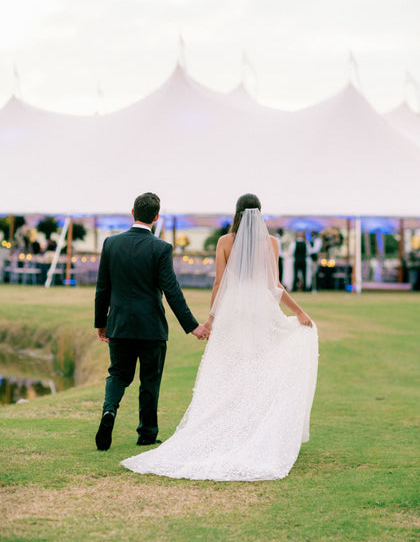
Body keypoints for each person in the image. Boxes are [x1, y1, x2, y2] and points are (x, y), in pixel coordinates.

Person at [121, 194, 318, 481]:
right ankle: (251, 429)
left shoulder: (225, 242)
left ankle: (231, 427)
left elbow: (219, 283)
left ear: (236, 213)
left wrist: (211, 319)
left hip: (232, 313)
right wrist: (300, 312)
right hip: (261, 312)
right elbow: (274, 285)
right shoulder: (271, 243)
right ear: (259, 213)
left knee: (229, 369)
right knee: (258, 368)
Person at [94, 193, 209, 451]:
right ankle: (146, 433)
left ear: (132, 212)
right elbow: (172, 291)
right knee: (150, 380)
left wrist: (101, 323)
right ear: (157, 217)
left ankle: (109, 412)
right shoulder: (161, 248)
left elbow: (102, 289)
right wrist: (193, 326)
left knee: (118, 374)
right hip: (151, 328)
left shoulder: (111, 244)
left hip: (120, 324)